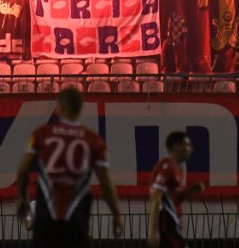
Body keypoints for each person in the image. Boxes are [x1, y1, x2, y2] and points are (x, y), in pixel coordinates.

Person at [14, 88, 123, 247]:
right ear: (80, 108)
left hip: (46, 218)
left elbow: (22, 171)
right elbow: (106, 186)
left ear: (59, 107)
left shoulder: (41, 134)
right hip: (76, 219)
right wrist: (116, 214)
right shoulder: (94, 140)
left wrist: (23, 198)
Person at [149, 131, 205, 248]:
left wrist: (190, 191)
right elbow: (156, 197)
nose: (190, 149)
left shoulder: (177, 169)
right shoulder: (166, 167)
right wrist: (154, 230)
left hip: (173, 227)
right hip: (167, 228)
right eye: (187, 145)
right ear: (176, 147)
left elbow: (173, 197)